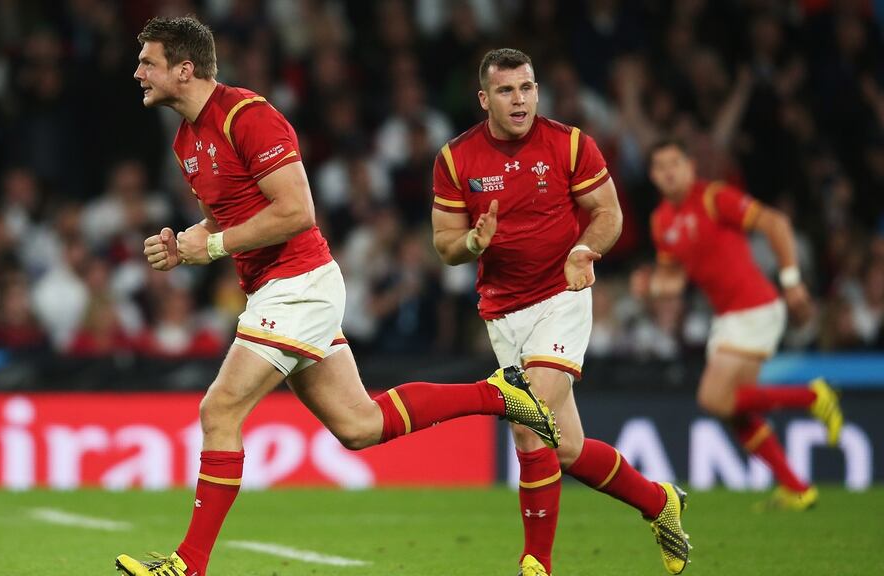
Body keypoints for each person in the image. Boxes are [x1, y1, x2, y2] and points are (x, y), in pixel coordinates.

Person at [115, 17, 558, 576]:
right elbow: (221, 223)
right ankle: (498, 395)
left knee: (219, 408)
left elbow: (297, 211)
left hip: (298, 284)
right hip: (273, 290)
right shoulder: (187, 139)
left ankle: (188, 565)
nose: (138, 73)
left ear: (184, 69)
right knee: (359, 427)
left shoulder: (247, 117)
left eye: (148, 62)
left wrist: (217, 245)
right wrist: (184, 245)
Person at [430, 48, 691, 576]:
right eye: (506, 90)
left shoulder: (570, 144)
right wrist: (472, 246)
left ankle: (536, 563)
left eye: (527, 87)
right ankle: (659, 502)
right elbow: (443, 244)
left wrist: (583, 250)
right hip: (501, 312)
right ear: (484, 99)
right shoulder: (456, 159)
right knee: (566, 448)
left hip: (562, 295)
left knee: (528, 420)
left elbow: (609, 214)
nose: (520, 99)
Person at [646, 138, 844, 510]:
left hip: (755, 306)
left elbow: (775, 221)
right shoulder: (662, 222)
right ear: (653, 176)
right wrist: (651, 287)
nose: (669, 172)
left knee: (713, 398)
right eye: (660, 166)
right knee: (733, 410)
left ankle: (814, 396)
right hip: (727, 317)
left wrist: (791, 281)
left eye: (675, 163)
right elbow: (672, 279)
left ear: (690, 166)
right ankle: (797, 487)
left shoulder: (713, 197)